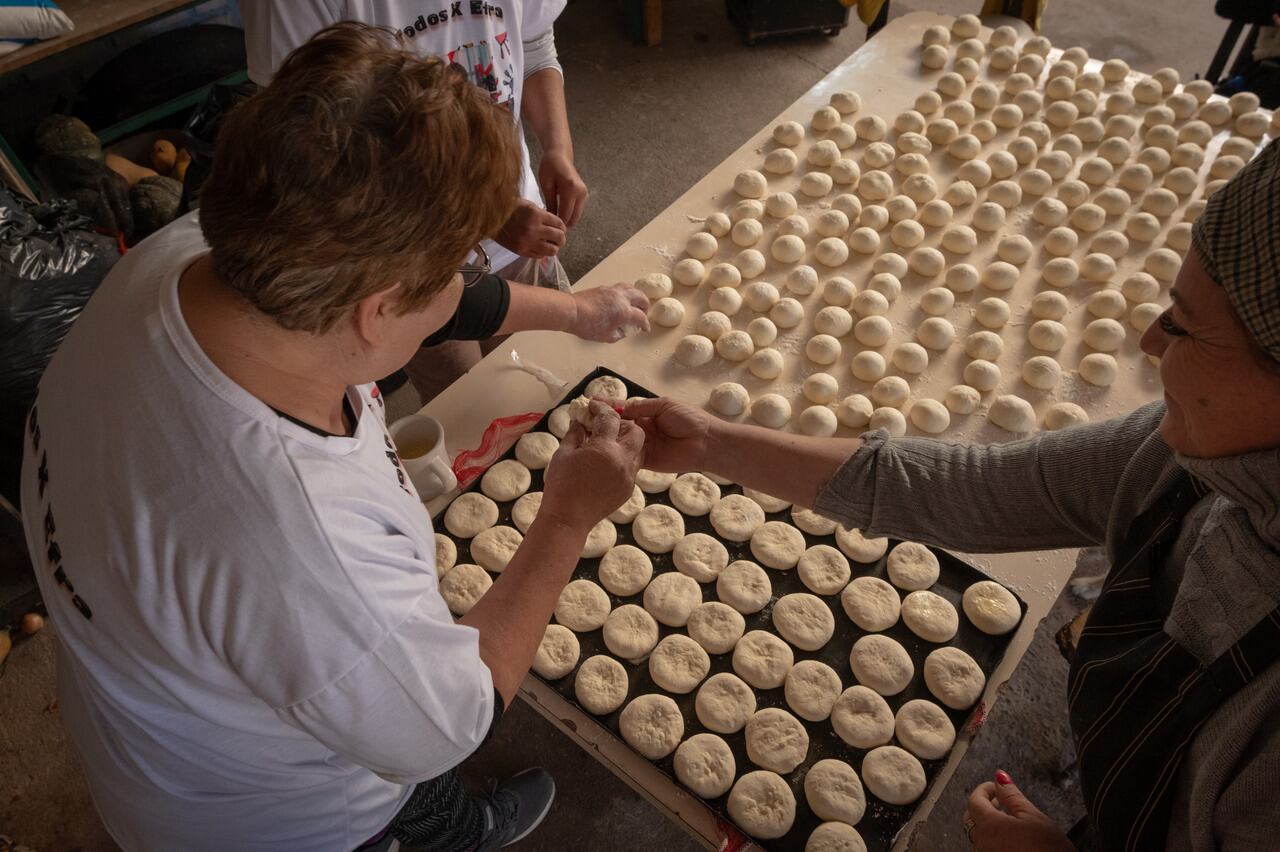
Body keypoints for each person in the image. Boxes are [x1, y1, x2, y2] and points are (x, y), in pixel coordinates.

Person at [20, 23, 644, 852]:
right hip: (262, 818)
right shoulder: (301, 546)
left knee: (374, 735)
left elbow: (440, 301)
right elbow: (447, 724)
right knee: (387, 771)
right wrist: (567, 517)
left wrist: (574, 313)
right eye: (456, 263)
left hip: (157, 704)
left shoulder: (197, 256)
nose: (464, 280)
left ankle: (441, 818)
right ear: (378, 308)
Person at [621, 140, 1280, 852]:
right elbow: (978, 490)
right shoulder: (1179, 451)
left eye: (1184, 325)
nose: (1149, 342)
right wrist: (715, 444)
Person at [239, 0, 590, 402]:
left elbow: (533, 40)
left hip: (521, 227)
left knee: (548, 385)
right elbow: (308, 149)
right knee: (464, 409)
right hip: (405, 258)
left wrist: (557, 148)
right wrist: (483, 213)